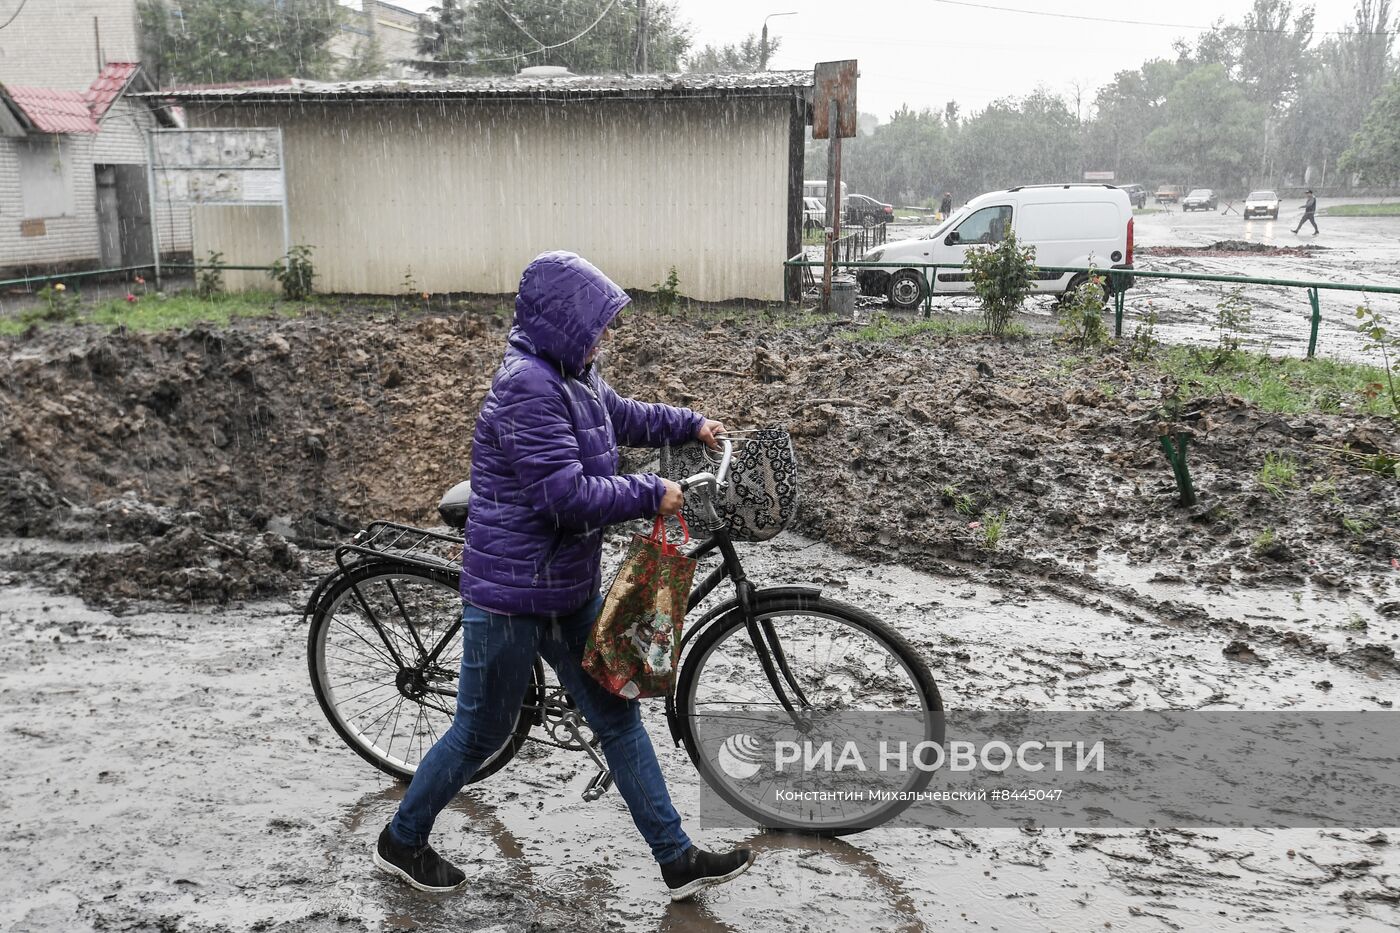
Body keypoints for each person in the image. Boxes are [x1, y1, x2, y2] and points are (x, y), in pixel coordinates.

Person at [372, 251, 755, 902]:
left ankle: (675, 856)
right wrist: (646, 492)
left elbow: (623, 415)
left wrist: (690, 423)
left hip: (566, 587)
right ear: (564, 324)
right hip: (512, 599)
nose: (608, 337)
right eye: (599, 325)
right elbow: (564, 497)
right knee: (480, 734)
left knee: (616, 717)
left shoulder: (574, 372)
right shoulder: (527, 384)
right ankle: (402, 838)